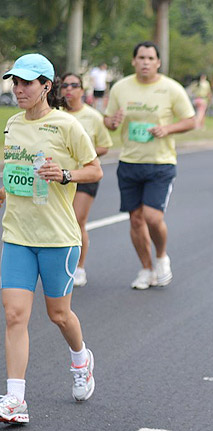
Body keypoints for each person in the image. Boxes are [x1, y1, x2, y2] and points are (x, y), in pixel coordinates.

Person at [0, 53, 103, 423]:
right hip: (16, 235)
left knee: (59, 314)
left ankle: (81, 359)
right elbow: (11, 175)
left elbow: (95, 170)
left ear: (47, 85)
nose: (19, 89)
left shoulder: (66, 125)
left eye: (26, 83)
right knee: (14, 315)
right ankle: (15, 399)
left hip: (58, 238)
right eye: (15, 82)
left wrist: (64, 175)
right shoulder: (11, 125)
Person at [103, 41, 196, 289]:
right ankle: (145, 269)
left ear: (158, 62)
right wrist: (113, 121)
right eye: (141, 58)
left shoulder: (171, 89)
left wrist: (168, 128)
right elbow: (108, 122)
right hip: (130, 161)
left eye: (150, 58)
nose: (145, 62)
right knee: (135, 220)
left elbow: (190, 121)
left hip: (160, 163)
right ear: (134, 61)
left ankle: (161, 256)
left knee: (152, 217)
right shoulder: (121, 88)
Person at [60, 73, 113, 287]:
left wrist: (83, 153)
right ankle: (62, 265)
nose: (69, 89)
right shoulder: (55, 115)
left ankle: (79, 267)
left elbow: (105, 146)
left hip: (86, 174)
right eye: (65, 85)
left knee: (76, 220)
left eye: (74, 85)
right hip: (60, 176)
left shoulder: (93, 116)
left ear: (82, 90)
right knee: (61, 222)